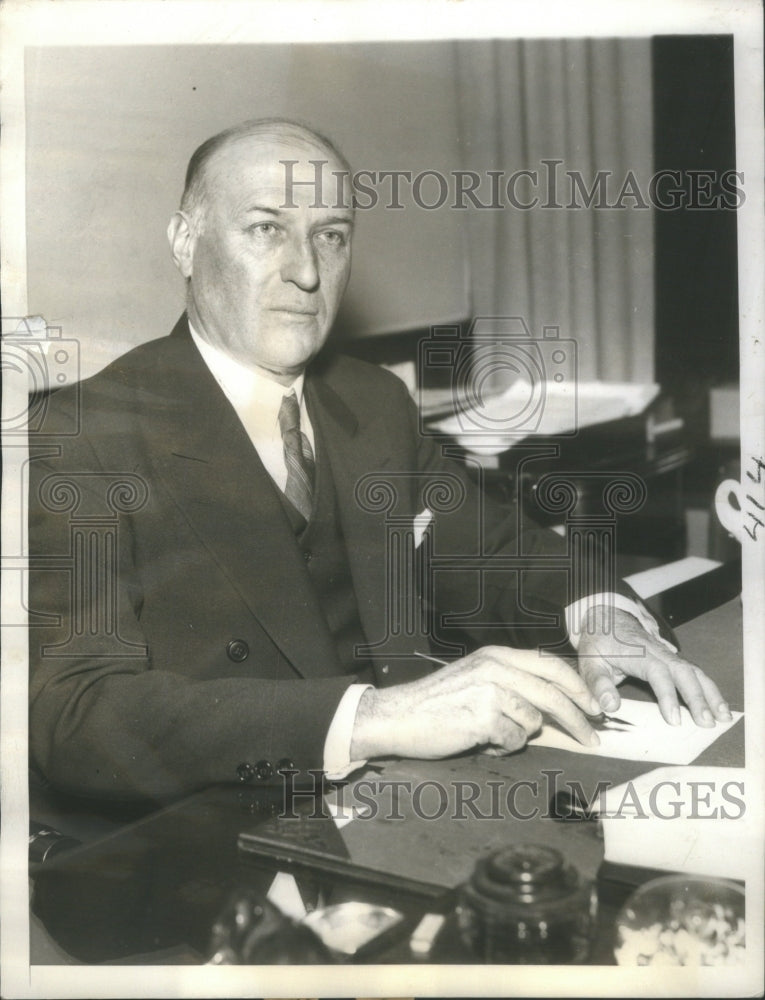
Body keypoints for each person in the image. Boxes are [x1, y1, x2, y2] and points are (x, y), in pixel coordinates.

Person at [28, 118, 731, 806]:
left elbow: (493, 553)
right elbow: (74, 715)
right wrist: (371, 719)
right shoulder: (87, 433)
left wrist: (597, 617)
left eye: (330, 237)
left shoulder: (370, 400)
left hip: (404, 800)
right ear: (186, 242)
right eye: (266, 228)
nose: (306, 272)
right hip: (221, 833)